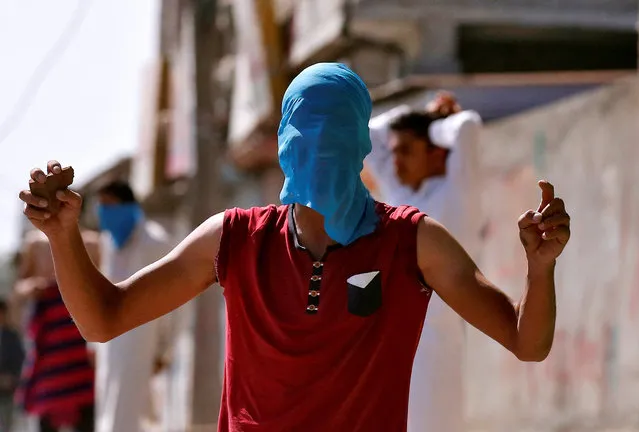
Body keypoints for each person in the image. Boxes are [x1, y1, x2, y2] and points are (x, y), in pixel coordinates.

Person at [18, 63, 571, 432]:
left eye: (334, 133)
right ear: (283, 143)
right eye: (306, 133)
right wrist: (63, 237)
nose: (318, 148)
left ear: (360, 144)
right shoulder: (232, 238)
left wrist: (540, 270)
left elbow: (526, 341)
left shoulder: (413, 241)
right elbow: (104, 319)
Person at [366, 92, 482, 432]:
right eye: (395, 150)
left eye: (406, 150)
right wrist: (419, 115)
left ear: (434, 154)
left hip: (435, 353)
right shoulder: (400, 194)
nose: (395, 161)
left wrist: (435, 125)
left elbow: (468, 127)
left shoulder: (459, 193)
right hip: (388, 346)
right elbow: (372, 133)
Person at [90, 180, 176, 432]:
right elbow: (104, 291)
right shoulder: (109, 243)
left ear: (127, 205)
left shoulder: (156, 243)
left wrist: (164, 349)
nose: (103, 211)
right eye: (100, 205)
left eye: (109, 204)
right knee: (109, 411)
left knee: (136, 415)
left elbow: (173, 301)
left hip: (143, 341)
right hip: (111, 343)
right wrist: (94, 343)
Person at [13, 230, 99, 432]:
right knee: (47, 420)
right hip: (49, 357)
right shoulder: (35, 243)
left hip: (79, 350)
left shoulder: (90, 242)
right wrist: (30, 288)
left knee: (86, 419)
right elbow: (20, 286)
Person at [0, 299, 25, 432]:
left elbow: (20, 358)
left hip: (7, 389)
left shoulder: (12, 336)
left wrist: (11, 377)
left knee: (6, 424)